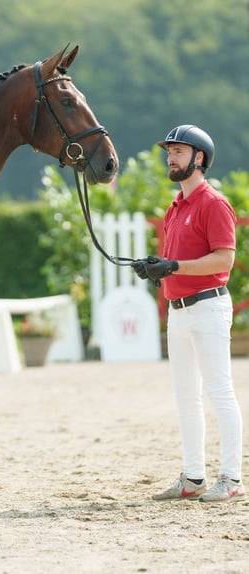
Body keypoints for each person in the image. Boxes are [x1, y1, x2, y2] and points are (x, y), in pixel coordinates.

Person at [132, 125, 245, 503]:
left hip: (208, 307)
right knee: (185, 397)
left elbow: (223, 259)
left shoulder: (214, 203)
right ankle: (193, 476)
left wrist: (173, 266)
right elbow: (176, 262)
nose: (171, 157)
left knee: (219, 392)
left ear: (199, 158)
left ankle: (230, 477)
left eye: (179, 151)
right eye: (170, 152)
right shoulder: (175, 206)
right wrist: (156, 269)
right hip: (179, 313)